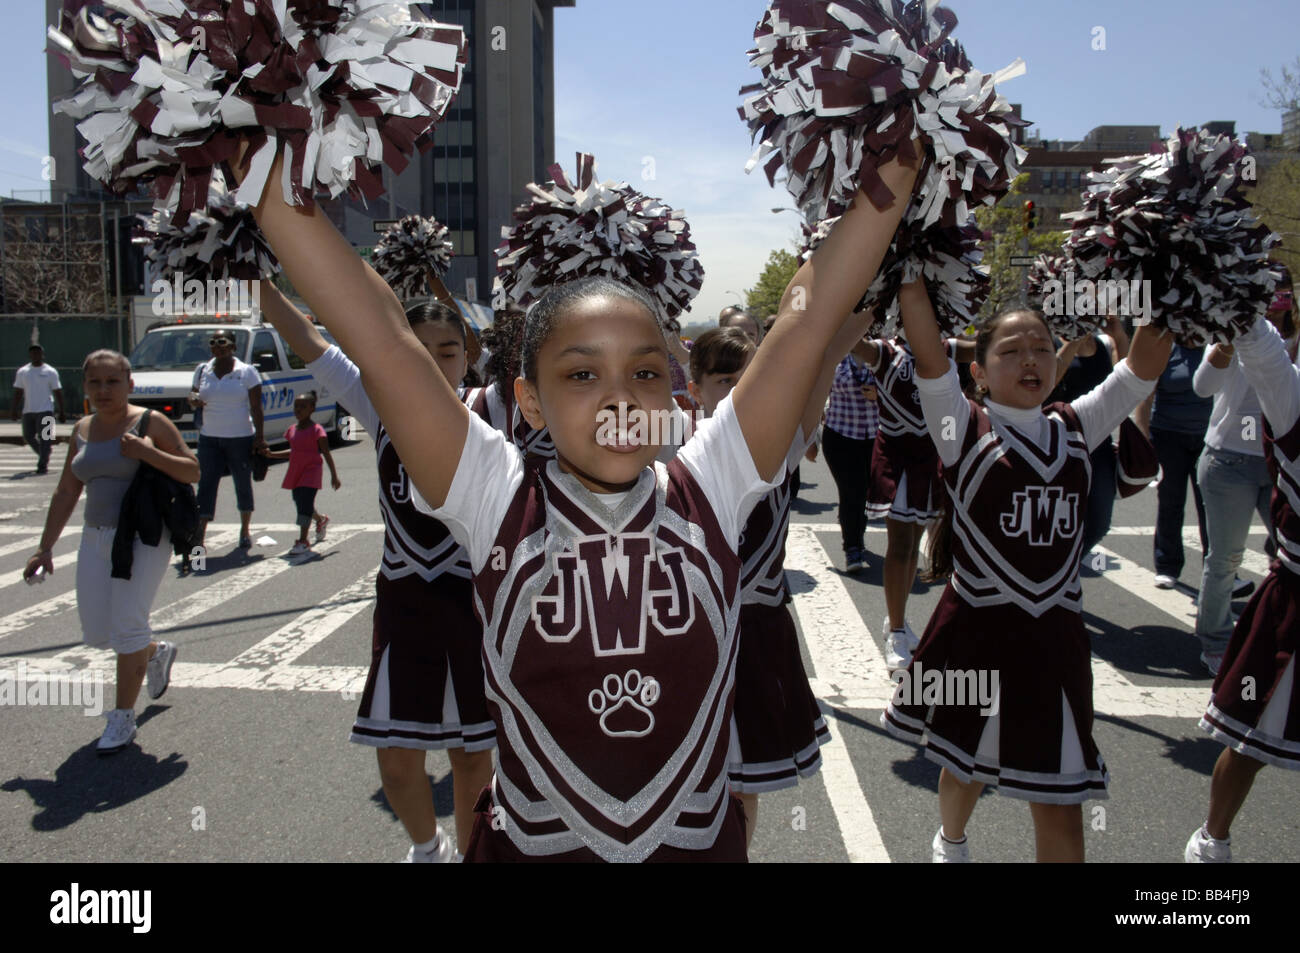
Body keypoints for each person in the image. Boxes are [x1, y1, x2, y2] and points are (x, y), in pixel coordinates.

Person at [239, 136, 918, 861]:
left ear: (675, 390)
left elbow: (805, 320)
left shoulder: (712, 482)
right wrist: (253, 145)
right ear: (528, 400)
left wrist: (902, 151)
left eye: (647, 373)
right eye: (582, 375)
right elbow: (379, 336)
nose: (621, 396)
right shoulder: (490, 491)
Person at [883, 283, 1172, 862]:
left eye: (1041, 347)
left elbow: (1140, 370)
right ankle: (952, 841)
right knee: (964, 762)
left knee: (1063, 797)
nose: (1030, 359)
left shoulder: (1074, 426)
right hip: (977, 634)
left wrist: (1168, 273)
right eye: (1011, 351)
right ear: (980, 372)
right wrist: (912, 265)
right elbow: (929, 359)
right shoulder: (959, 427)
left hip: (1053, 641)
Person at [258, 281, 495, 862]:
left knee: (472, 760)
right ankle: (426, 847)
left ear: (467, 355)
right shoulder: (379, 402)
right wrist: (248, 270)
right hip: (406, 603)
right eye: (420, 350)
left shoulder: (496, 408)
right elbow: (307, 338)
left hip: (477, 606)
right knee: (394, 761)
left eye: (448, 349)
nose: (436, 362)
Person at [689, 324, 844, 847]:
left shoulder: (782, 444)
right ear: (693, 392)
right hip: (687, 638)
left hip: (756, 636)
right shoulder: (674, 454)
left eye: (750, 379)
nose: (739, 393)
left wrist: (882, 282)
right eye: (724, 381)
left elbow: (821, 358)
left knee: (741, 776)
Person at [24, 350, 199, 752]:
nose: (103, 390)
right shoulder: (83, 428)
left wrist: (146, 451)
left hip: (143, 537)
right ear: (84, 386)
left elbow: (192, 470)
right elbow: (67, 490)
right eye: (95, 382)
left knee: (127, 627)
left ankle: (122, 718)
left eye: (113, 382)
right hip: (96, 538)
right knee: (99, 631)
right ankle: (155, 653)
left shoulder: (150, 422)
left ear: (129, 385)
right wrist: (44, 547)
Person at [1186, 313, 1300, 862]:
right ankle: (1213, 839)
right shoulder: (1292, 397)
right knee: (1251, 736)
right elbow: (1260, 358)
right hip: (1231, 461)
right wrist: (1234, 290)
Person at [1191, 279, 1298, 676]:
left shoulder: (1294, 340)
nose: (1274, 304)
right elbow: (1203, 387)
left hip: (1285, 464)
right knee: (1225, 560)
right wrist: (1229, 343)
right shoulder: (1232, 334)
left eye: (1282, 295)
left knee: (1290, 558)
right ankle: (1215, 640)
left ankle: (1281, 637)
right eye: (1268, 295)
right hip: (1229, 461)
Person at [862, 328, 975, 670]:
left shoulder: (946, 347)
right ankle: (895, 630)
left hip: (933, 454)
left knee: (914, 545)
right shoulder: (884, 351)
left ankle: (897, 618)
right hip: (896, 456)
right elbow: (846, 341)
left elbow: (991, 345)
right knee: (899, 545)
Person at [1047, 314, 1130, 556]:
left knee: (1099, 522)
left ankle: (1067, 563)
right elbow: (1047, 381)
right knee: (1057, 519)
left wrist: (1119, 336)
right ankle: (1055, 567)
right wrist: (1073, 341)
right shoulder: (1050, 343)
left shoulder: (1103, 344)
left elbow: (1126, 378)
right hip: (1058, 445)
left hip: (1098, 445)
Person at [1135, 342, 1211, 589]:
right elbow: (1146, 397)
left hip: (1208, 438)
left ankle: (1216, 567)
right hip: (1168, 435)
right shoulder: (1167, 348)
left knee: (1211, 506)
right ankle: (1167, 566)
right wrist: (1143, 439)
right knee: (1171, 502)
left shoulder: (1216, 346)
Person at [189, 330, 266, 552]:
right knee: (206, 485)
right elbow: (193, 394)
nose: (217, 346)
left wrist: (259, 438)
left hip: (240, 437)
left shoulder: (246, 372)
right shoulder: (203, 370)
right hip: (209, 437)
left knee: (242, 483)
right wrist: (193, 400)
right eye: (212, 343)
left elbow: (256, 407)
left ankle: (244, 530)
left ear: (233, 346)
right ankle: (200, 533)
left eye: (222, 342)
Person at [259, 391, 340, 556]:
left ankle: (303, 540)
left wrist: (334, 475)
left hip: (311, 472)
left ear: (312, 409)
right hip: (296, 472)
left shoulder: (317, 430)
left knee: (304, 503)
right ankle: (320, 520)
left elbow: (326, 453)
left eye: (303, 407)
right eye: (296, 406)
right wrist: (272, 455)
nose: (298, 410)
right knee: (302, 503)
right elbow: (293, 452)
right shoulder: (291, 430)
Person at [821, 343, 879, 573]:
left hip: (874, 436)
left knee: (866, 493)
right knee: (851, 492)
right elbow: (817, 391)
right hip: (840, 435)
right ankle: (852, 548)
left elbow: (903, 392)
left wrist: (880, 394)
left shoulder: (882, 357)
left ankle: (853, 528)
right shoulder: (833, 355)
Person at [11, 344, 65, 475]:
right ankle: (44, 453)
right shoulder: (23, 371)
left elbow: (57, 391)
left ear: (42, 355)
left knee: (46, 437)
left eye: (38, 353)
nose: (36, 356)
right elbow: (18, 391)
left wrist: (62, 410)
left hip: (46, 410)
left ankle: (42, 464)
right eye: (33, 353)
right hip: (28, 411)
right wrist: (14, 409)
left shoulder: (50, 371)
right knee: (28, 436)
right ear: (30, 355)